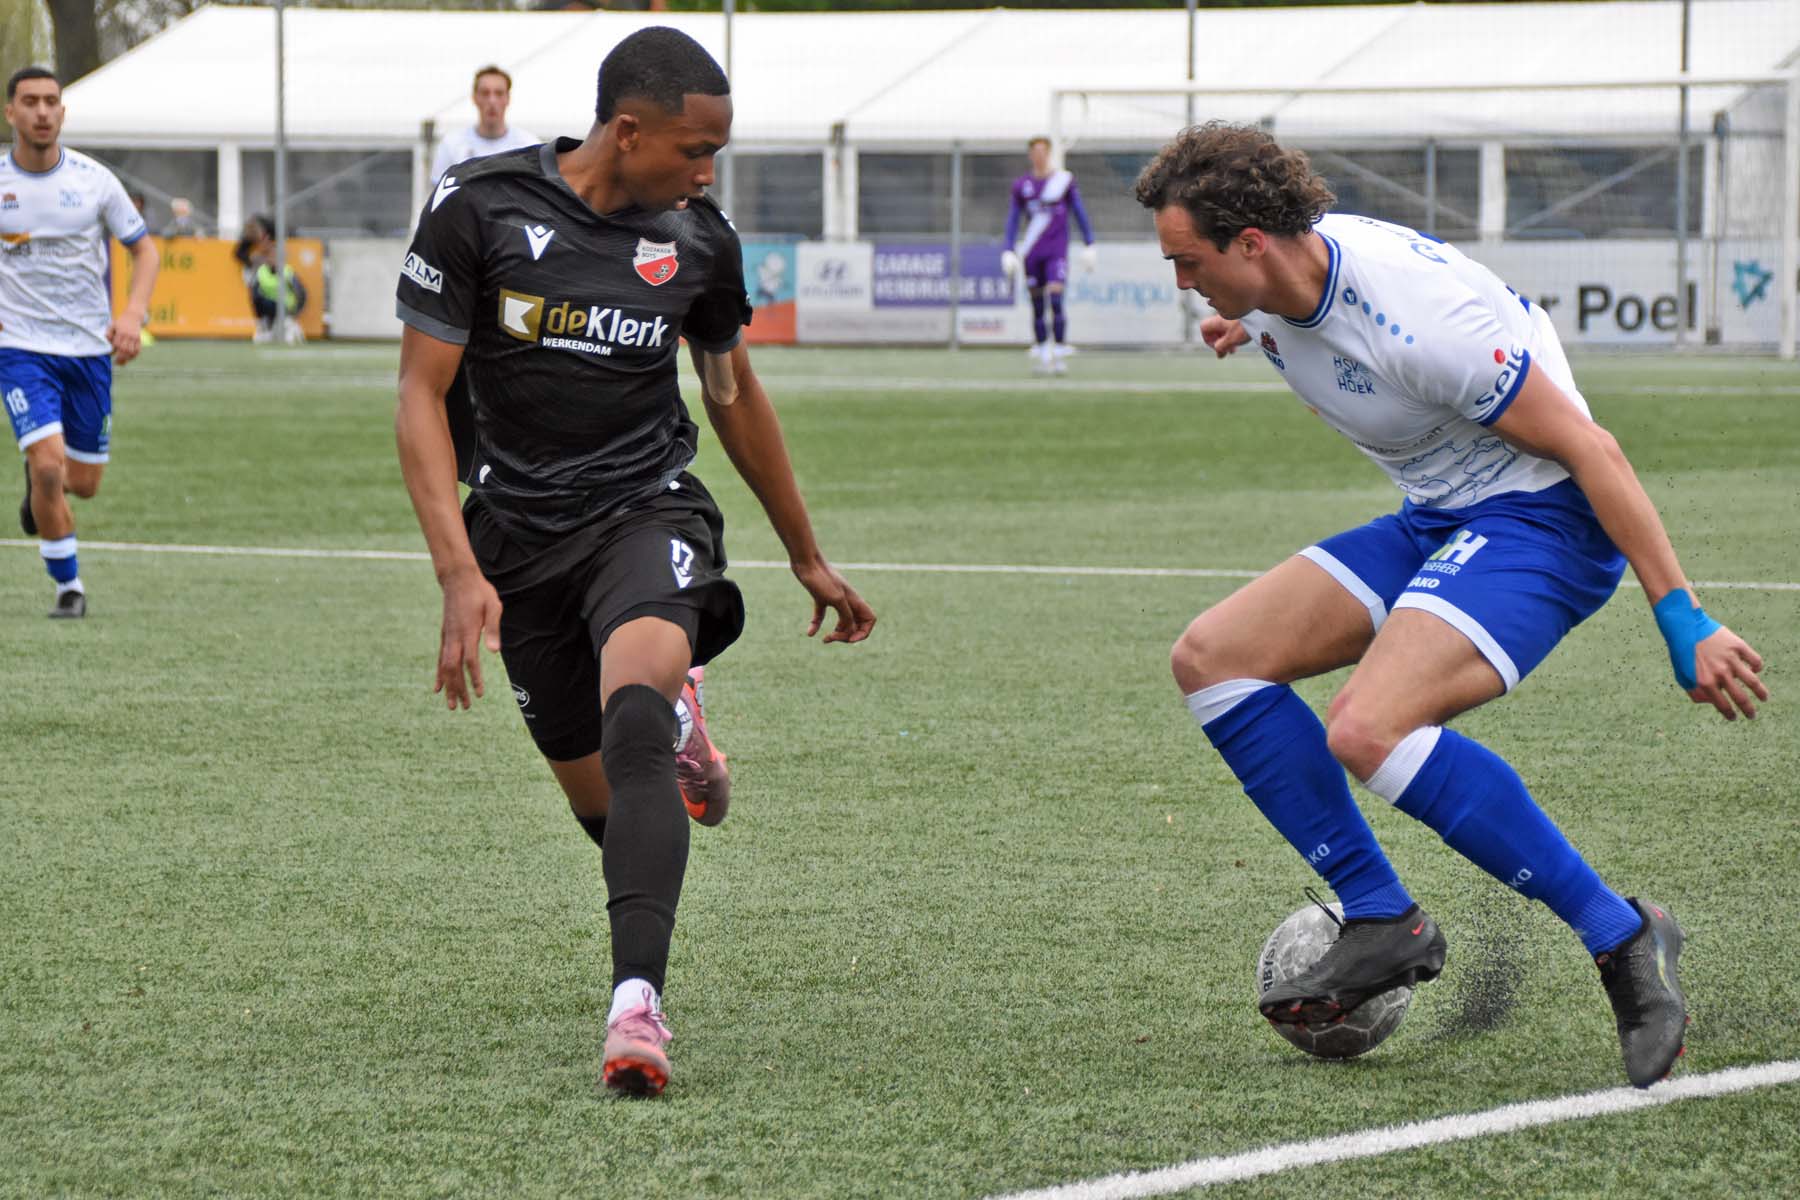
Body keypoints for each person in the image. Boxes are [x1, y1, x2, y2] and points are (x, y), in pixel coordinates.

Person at [1134, 123, 1768, 1089]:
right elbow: (1303, 321)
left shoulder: (1420, 319)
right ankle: (1380, 916)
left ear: (1251, 242)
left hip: (1545, 523)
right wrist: (1246, 319)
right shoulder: (1279, 281)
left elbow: (1591, 450)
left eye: (1189, 262)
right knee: (1213, 658)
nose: (1183, 282)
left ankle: (1622, 935)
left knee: (1368, 726)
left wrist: (1682, 616)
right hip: (1438, 517)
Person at [393, 26, 875, 1099]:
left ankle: (636, 1006)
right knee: (603, 809)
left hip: (645, 512)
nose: (707, 174)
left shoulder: (699, 242)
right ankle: (672, 723)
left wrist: (805, 554)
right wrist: (460, 572)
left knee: (634, 723)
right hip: (514, 535)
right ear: (626, 131)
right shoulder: (479, 206)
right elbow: (421, 392)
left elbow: (732, 394)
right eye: (695, 151)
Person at [1, 66, 158, 619]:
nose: (42, 112)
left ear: (63, 113)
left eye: (51, 101)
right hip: (19, 347)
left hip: (88, 349)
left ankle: (40, 488)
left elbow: (145, 251)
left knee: (83, 483)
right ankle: (69, 586)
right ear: (11, 113)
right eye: (30, 102)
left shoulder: (95, 180)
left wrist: (132, 315)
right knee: (49, 465)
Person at [1000, 136, 1096, 375]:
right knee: (1037, 305)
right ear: (1030, 155)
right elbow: (1013, 218)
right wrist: (1008, 248)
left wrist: (1089, 243)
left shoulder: (1064, 182)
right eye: (1036, 152)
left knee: (1055, 298)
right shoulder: (1022, 186)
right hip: (1032, 252)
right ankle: (1043, 354)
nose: (1040, 156)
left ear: (1049, 153)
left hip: (1056, 251)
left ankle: (1060, 353)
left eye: (1043, 151)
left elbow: (1079, 212)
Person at [430, 65, 540, 185]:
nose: (492, 101)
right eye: (485, 93)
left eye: (499, 93)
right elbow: (439, 190)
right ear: (475, 98)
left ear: (508, 98)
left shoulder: (529, 145)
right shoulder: (451, 144)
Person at [232, 215, 307, 344]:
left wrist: (296, 310)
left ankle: (281, 326)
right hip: (270, 302)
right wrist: (251, 261)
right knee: (260, 300)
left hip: (286, 305)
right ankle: (266, 327)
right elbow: (240, 254)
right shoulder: (261, 269)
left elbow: (300, 292)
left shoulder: (286, 270)